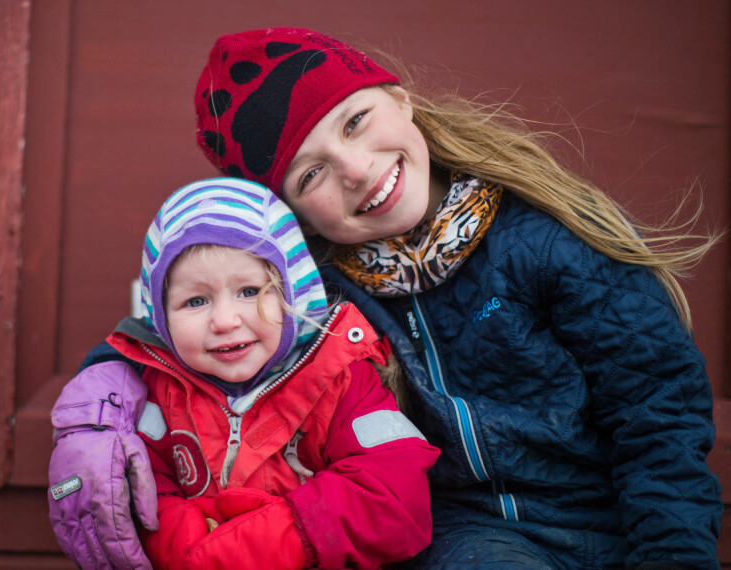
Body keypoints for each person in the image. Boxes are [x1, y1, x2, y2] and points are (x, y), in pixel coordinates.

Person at [49, 27, 723, 568]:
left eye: (355, 121)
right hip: (465, 534)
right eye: (311, 172)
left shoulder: (545, 239)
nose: (357, 168)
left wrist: (671, 553)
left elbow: (655, 409)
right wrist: (97, 412)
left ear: (398, 98)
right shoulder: (311, 296)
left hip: (614, 513)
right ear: (294, 216)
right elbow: (165, 331)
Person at [50, 177, 439, 569]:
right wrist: (182, 543)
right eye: (195, 300)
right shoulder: (158, 394)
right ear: (161, 319)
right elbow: (143, 493)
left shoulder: (340, 379)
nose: (224, 320)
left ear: (294, 292)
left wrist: (278, 537)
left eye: (250, 291)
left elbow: (395, 494)